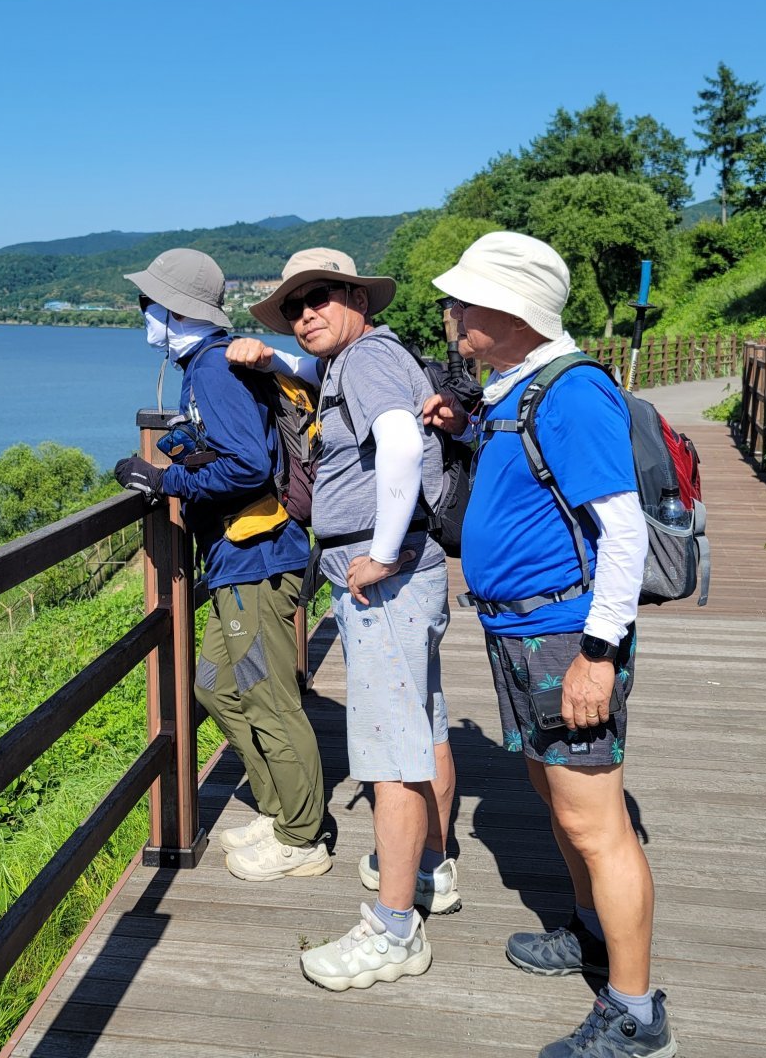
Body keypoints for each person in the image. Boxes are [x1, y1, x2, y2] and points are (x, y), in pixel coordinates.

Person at [425, 231, 674, 1058]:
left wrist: (597, 656)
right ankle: (591, 932)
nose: (452, 311)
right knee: (554, 792)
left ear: (512, 312)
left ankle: (635, 1013)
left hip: (564, 635)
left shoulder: (571, 392)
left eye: (465, 300)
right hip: (521, 629)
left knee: (597, 821)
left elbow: (623, 531)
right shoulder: (515, 386)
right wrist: (464, 425)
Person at [232, 247, 458, 992]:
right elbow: (331, 393)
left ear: (359, 298)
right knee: (422, 729)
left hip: (381, 576)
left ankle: (394, 930)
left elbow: (395, 441)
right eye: (295, 306)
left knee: (391, 755)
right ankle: (433, 869)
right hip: (404, 571)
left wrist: (383, 554)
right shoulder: (359, 362)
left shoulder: (365, 362)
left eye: (322, 296)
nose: (306, 314)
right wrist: (276, 366)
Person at [113, 247, 330, 882]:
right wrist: (185, 445)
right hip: (239, 562)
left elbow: (249, 466)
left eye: (147, 304)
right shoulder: (209, 366)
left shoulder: (211, 369)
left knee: (266, 695)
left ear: (175, 310)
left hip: (255, 558)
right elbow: (239, 443)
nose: (143, 316)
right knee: (214, 683)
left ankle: (302, 836)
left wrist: (164, 479)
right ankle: (278, 804)